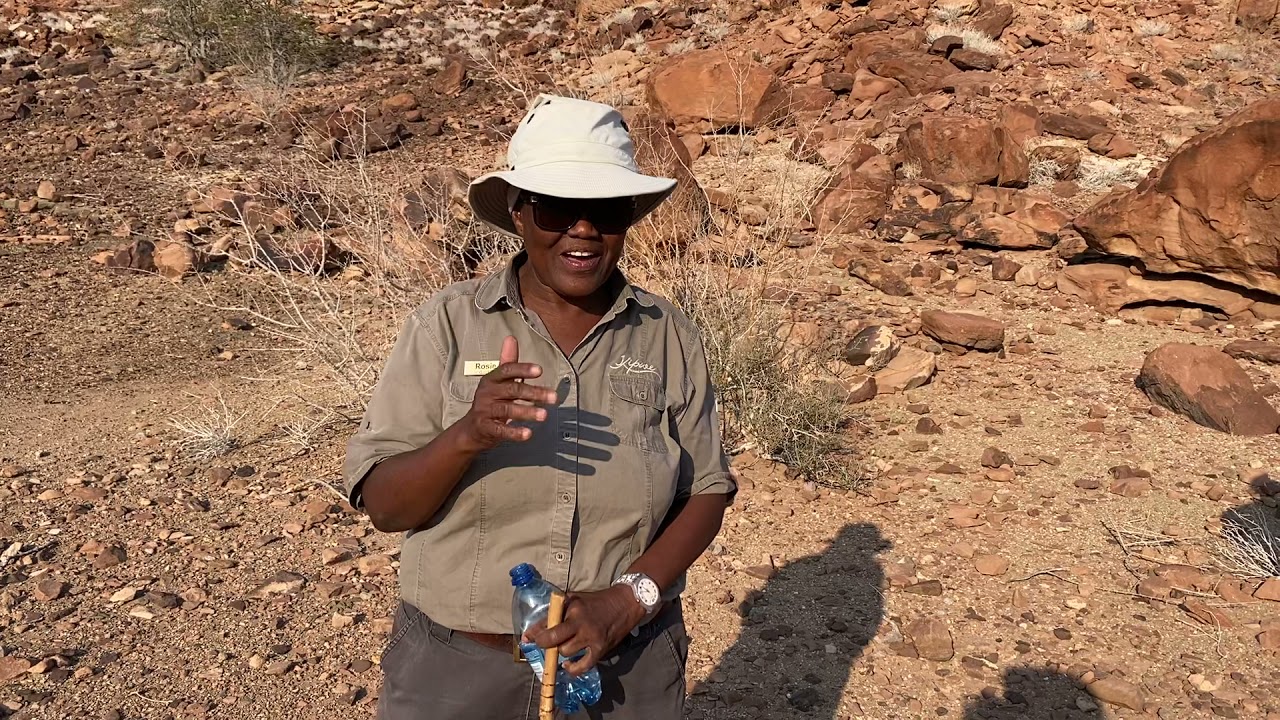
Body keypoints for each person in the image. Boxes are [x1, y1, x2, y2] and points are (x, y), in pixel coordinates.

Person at [342, 93, 737, 720]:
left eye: (604, 209)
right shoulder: (446, 325)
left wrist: (627, 601)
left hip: (624, 664)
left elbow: (707, 489)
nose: (582, 229)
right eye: (557, 206)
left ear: (629, 217)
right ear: (520, 214)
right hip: (459, 672)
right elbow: (387, 507)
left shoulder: (669, 334)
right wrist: (466, 436)